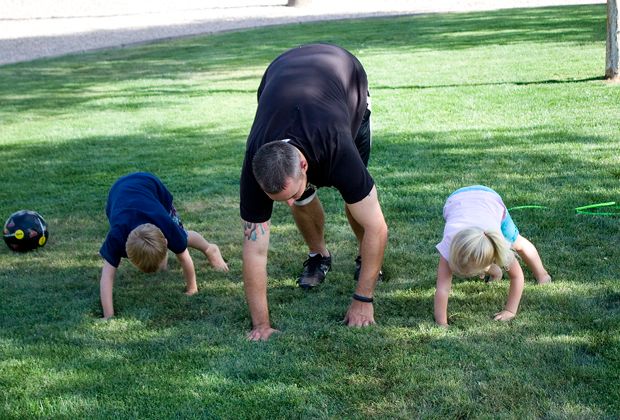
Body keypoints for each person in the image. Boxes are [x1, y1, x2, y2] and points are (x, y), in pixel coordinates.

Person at [240, 43, 388, 341]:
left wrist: (363, 300)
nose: (291, 203)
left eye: (292, 194)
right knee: (303, 199)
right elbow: (254, 251)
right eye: (283, 200)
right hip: (279, 73)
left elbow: (378, 227)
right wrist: (261, 324)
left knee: (357, 201)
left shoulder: (337, 147)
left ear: (304, 164)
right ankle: (319, 255)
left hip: (344, 76)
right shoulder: (255, 165)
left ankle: (364, 260)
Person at [98, 172, 228, 319]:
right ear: (126, 250)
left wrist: (192, 288)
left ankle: (210, 249)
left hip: (151, 187)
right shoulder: (117, 237)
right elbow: (107, 277)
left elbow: (184, 257)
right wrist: (108, 315)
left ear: (165, 241)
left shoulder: (166, 225)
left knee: (181, 238)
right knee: (172, 247)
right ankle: (160, 258)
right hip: (118, 193)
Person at [434, 185, 552, 326]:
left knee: (518, 243)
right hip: (457, 199)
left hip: (490, 200)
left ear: (493, 258)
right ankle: (496, 273)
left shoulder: (500, 246)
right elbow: (442, 288)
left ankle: (542, 274)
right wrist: (442, 323)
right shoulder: (449, 247)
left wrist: (510, 311)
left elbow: (517, 277)